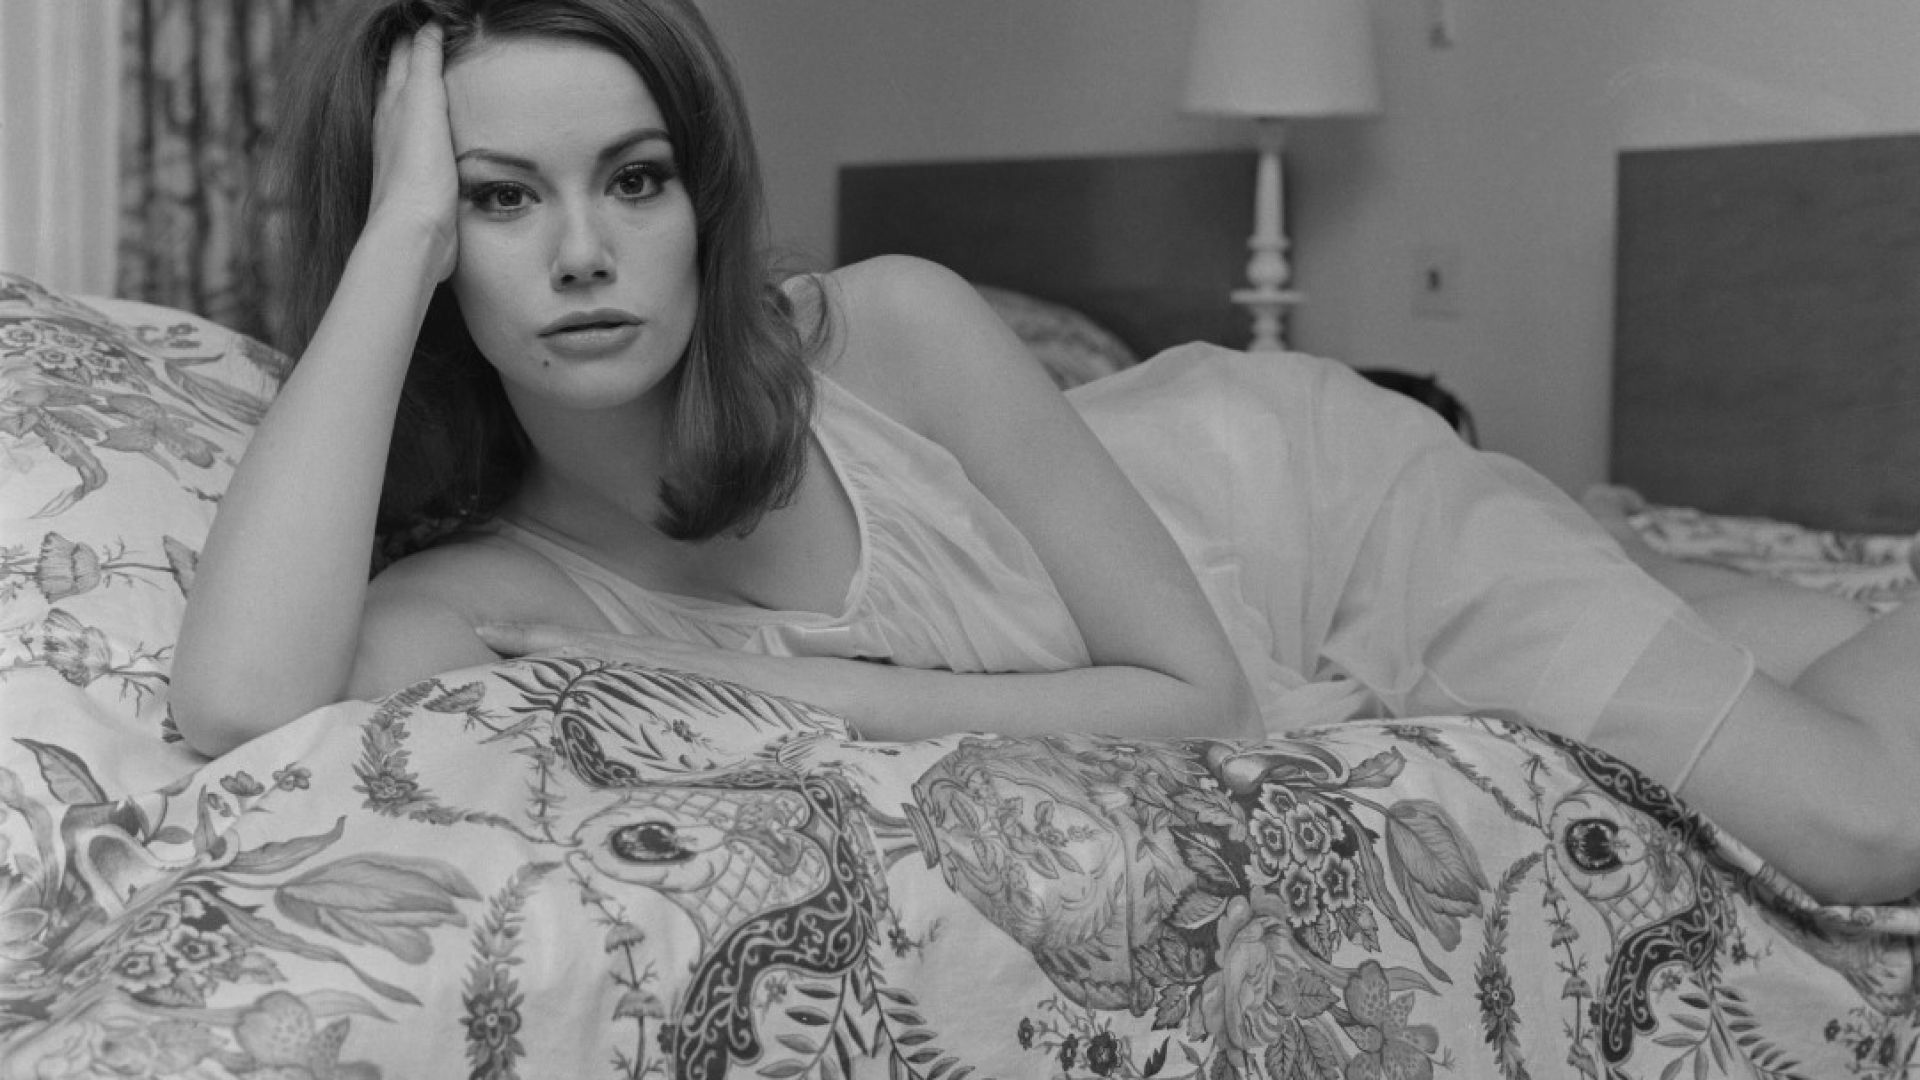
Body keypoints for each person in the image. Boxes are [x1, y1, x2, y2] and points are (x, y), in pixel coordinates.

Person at [170, 0, 1920, 905]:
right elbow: (244, 704)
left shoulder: (896, 326)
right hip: (1232, 573)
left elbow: (1200, 698)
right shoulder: (480, 590)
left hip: (1306, 511)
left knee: (1860, 820)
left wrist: (778, 693)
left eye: (636, 179)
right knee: (1764, 624)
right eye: (496, 199)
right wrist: (395, 243)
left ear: (702, 197)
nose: (580, 253)